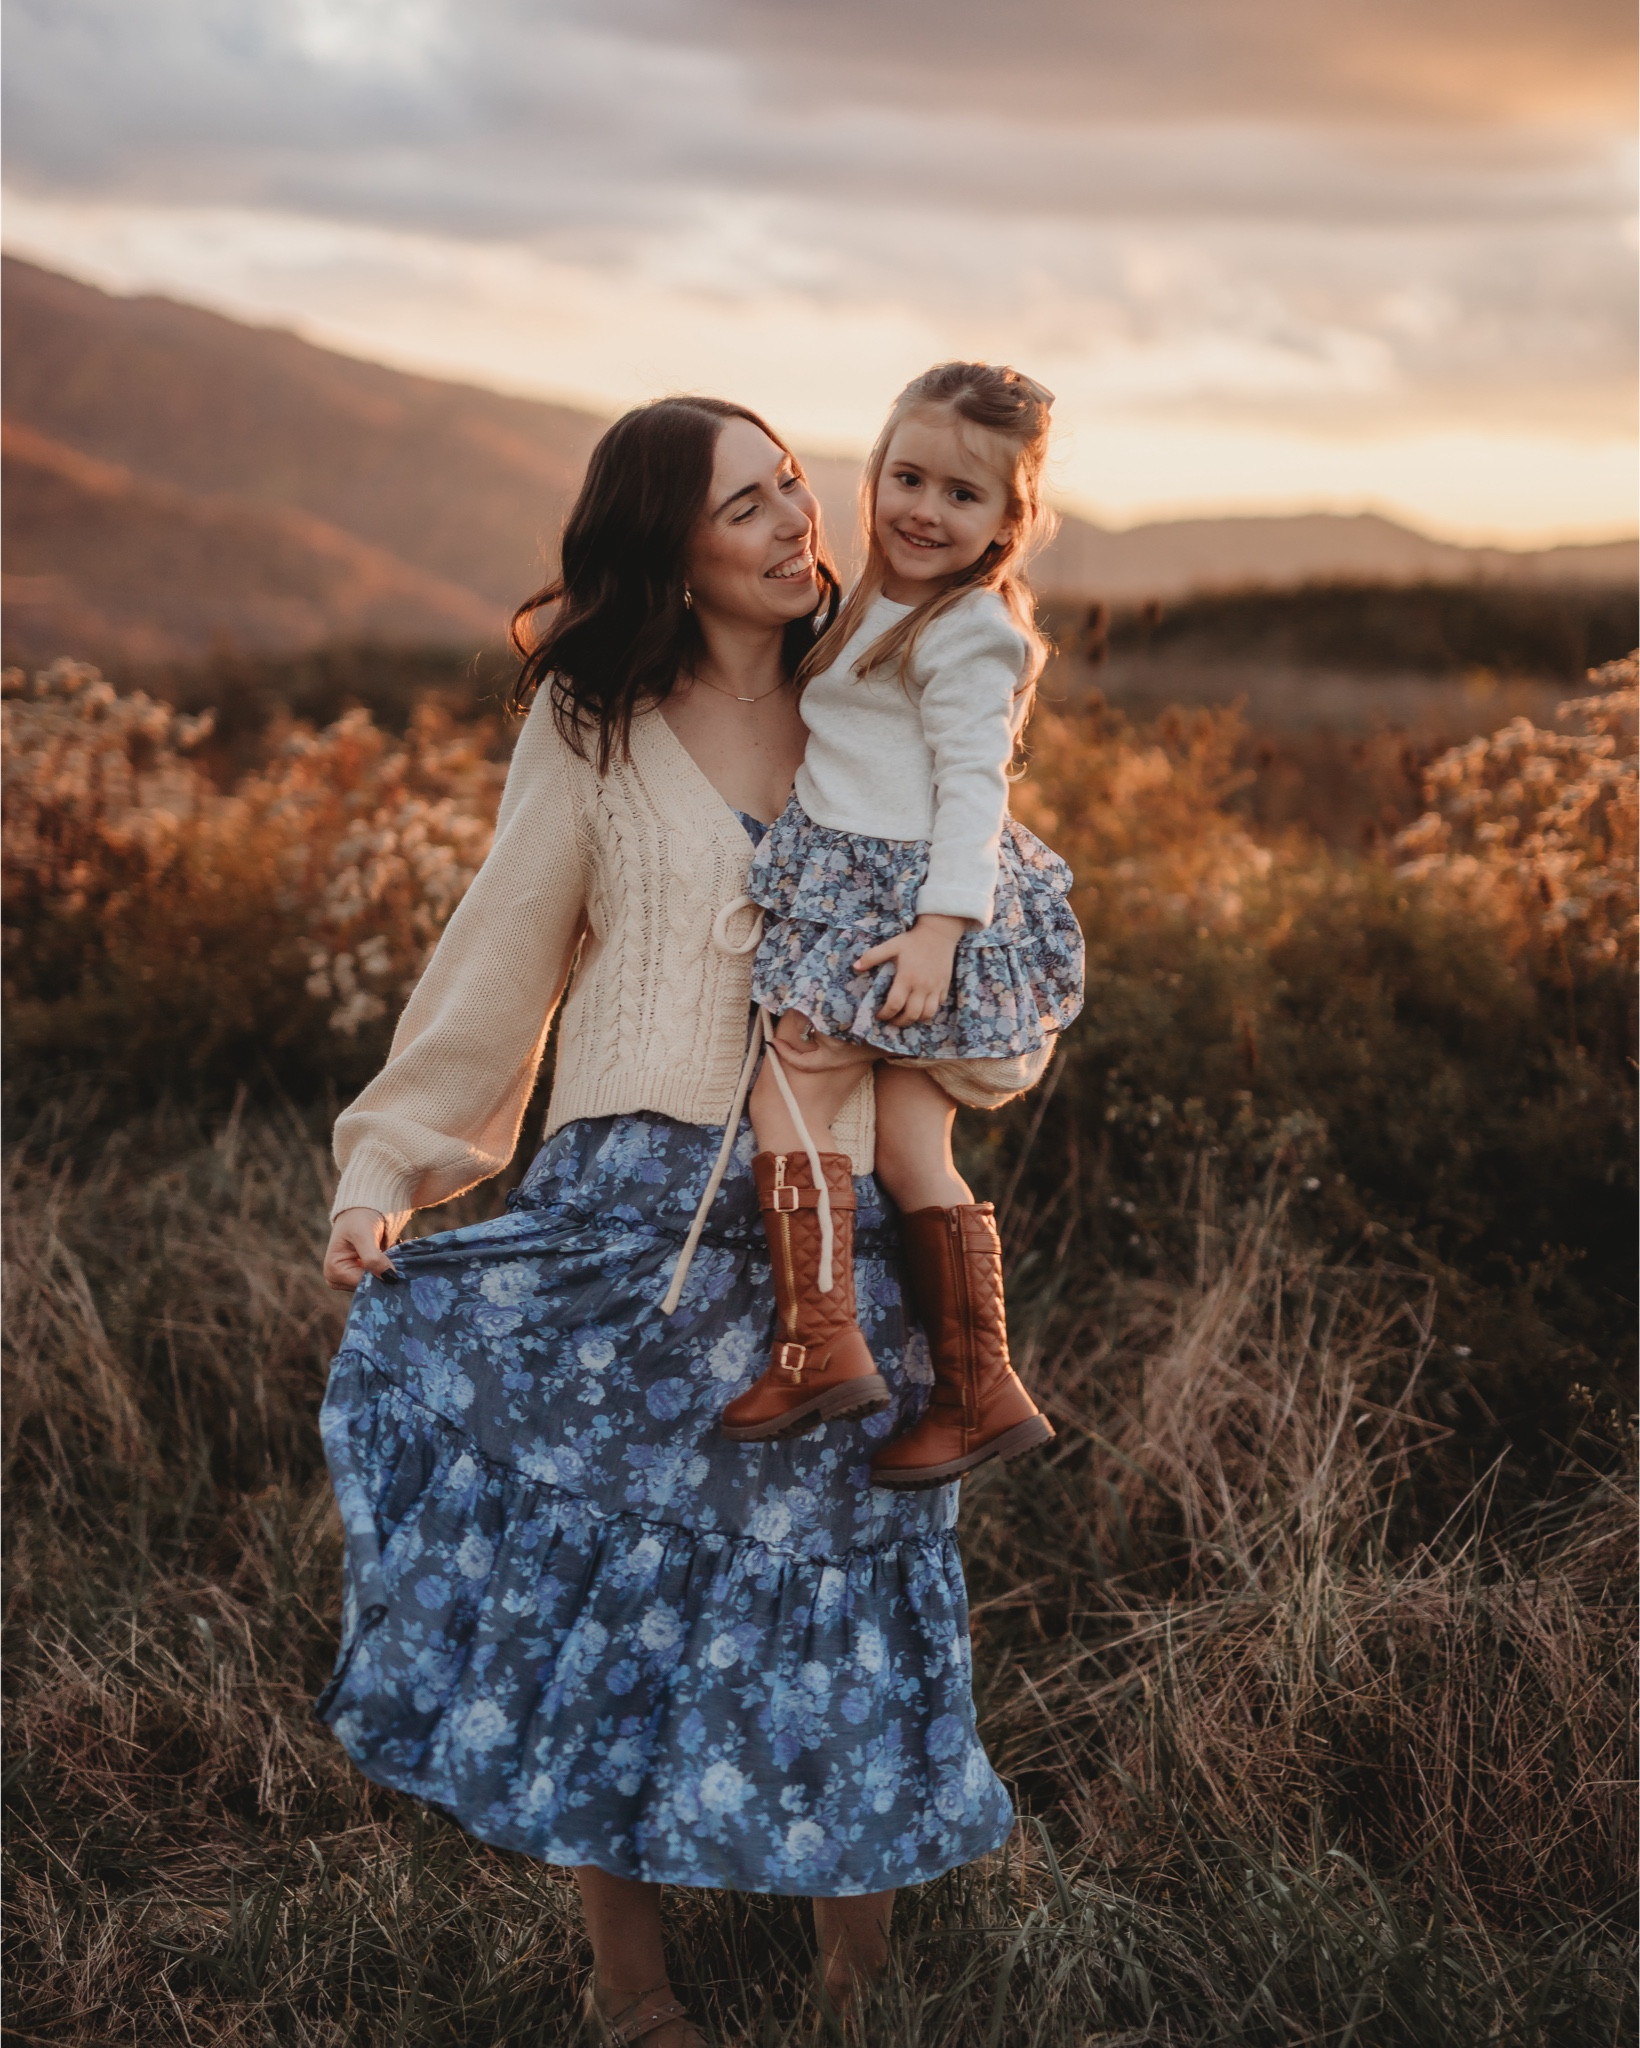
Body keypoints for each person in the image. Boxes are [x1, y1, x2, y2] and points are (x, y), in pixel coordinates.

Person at [316, 397, 1021, 2047]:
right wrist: (387, 1166)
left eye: (793, 486)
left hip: (837, 1236)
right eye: (744, 506)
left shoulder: (893, 690)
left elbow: (990, 963)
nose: (796, 524)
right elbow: (500, 959)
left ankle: (856, 1994)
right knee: (613, 1589)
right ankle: (632, 1992)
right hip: (628, 1224)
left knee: (855, 1583)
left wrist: (923, 1017)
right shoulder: (596, 725)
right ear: (670, 547)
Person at [715, 363, 1084, 1489]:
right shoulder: (871, 604)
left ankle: (817, 1344)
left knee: (790, 1083)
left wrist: (938, 930)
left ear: (1009, 520)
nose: (924, 510)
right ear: (874, 474)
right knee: (908, 1147)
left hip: (903, 907)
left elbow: (975, 788)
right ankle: (979, 1392)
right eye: (907, 478)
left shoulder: (970, 630)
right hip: (878, 890)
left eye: (962, 495)